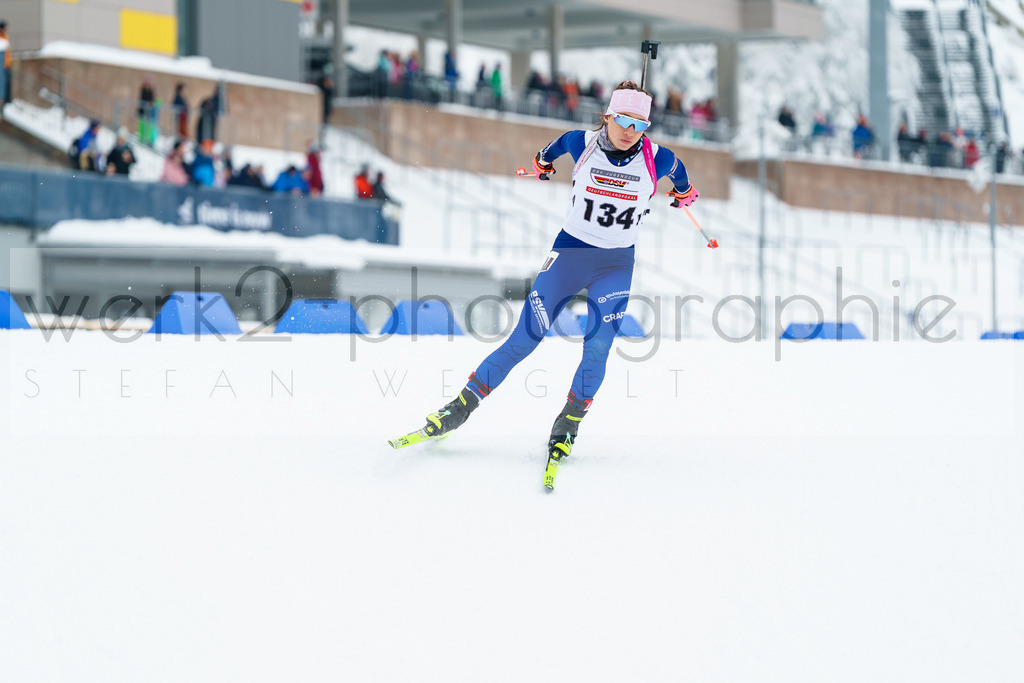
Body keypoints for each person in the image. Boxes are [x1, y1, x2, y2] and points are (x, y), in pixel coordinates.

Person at [393, 80, 698, 490]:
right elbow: (545, 155)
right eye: (622, 120)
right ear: (607, 117)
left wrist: (684, 194)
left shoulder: (660, 160)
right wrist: (542, 166)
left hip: (615, 266)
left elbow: (682, 181)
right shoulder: (580, 142)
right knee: (525, 338)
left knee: (598, 348)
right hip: (569, 256)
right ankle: (458, 409)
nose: (629, 130)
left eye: (639, 124)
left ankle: (568, 424)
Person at [0, 20, 10, 109]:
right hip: (2, 64)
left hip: (5, 64)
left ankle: (4, 99)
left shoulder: (6, 37)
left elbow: (7, 52)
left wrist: (7, 62)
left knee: (5, 81)